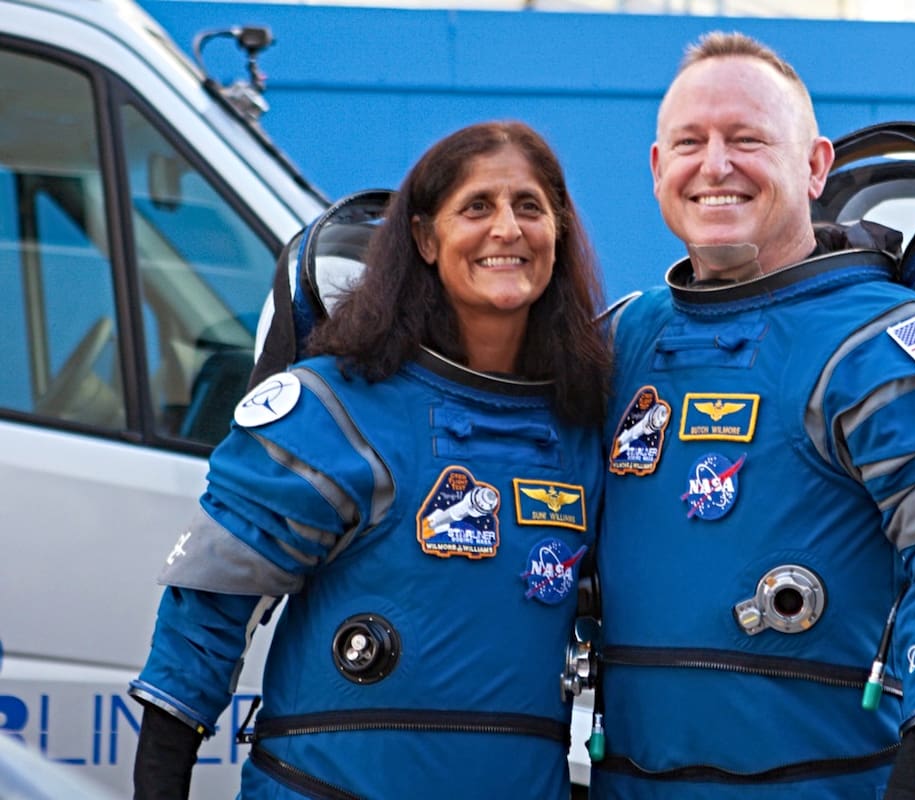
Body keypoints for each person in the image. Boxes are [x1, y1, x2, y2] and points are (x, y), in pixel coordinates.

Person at [586, 32, 915, 800]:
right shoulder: (619, 339)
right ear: (659, 170)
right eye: (689, 143)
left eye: (748, 139)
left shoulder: (890, 344)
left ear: (814, 165)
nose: (716, 165)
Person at [128, 120, 611, 799]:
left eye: (529, 206)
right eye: (477, 206)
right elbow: (205, 613)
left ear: (557, 235)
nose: (507, 228)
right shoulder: (333, 410)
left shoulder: (583, 429)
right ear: (423, 237)